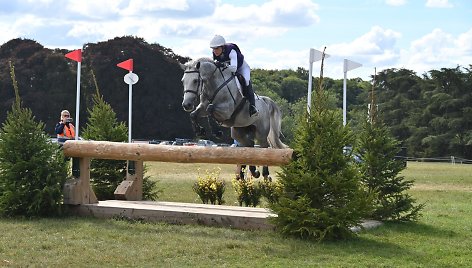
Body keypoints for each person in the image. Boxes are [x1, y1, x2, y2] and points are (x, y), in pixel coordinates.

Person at [210, 34, 258, 117]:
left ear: (222, 47)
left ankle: (252, 106)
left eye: (217, 48)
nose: (215, 51)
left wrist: (222, 65)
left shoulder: (231, 51)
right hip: (229, 69)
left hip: (241, 68)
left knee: (246, 80)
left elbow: (234, 69)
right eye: (213, 49)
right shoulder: (215, 54)